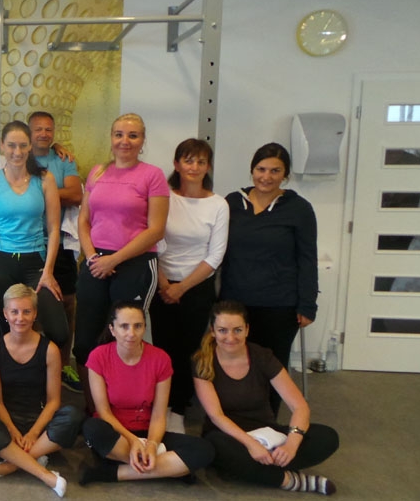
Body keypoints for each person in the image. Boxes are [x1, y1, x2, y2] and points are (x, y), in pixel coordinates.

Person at [193, 301, 339, 495]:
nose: (230, 337)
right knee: (215, 447)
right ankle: (290, 480)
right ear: (213, 331)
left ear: (247, 330)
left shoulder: (262, 356)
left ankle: (258, 469)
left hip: (267, 433)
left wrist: (291, 445)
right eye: (222, 330)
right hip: (229, 436)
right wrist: (251, 445)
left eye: (237, 330)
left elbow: (299, 406)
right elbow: (216, 416)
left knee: (328, 437)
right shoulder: (202, 361)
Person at [74, 112, 169, 411]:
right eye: (119, 134)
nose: (124, 141)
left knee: (125, 340)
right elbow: (84, 220)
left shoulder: (152, 175)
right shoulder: (97, 172)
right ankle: (94, 410)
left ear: (142, 141)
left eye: (132, 135)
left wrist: (113, 259)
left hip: (135, 264)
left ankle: (124, 410)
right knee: (86, 340)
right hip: (95, 262)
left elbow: (156, 229)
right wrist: (93, 256)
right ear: (111, 138)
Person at [79, 302, 214, 485]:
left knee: (204, 450)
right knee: (92, 428)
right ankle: (171, 469)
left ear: (144, 328)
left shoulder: (160, 359)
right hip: (116, 435)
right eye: (124, 326)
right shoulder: (98, 356)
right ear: (112, 329)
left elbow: (159, 415)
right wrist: (133, 441)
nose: (131, 333)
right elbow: (103, 412)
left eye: (138, 326)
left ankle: (114, 473)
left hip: (148, 431)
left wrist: (151, 444)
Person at [0, 284, 81, 498]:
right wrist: (12, 430)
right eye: (14, 312)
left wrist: (33, 434)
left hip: (39, 422)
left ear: (35, 314)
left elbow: (53, 401)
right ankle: (40, 467)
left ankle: (10, 464)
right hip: (6, 423)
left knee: (73, 415)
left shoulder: (50, 350)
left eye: (26, 311)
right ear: (5, 314)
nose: (20, 318)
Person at [219, 143, 318, 383]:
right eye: (261, 169)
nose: (266, 177)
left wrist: (307, 305)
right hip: (235, 301)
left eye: (275, 171)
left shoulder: (299, 209)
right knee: (234, 363)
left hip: (279, 304)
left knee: (272, 366)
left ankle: (269, 409)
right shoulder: (232, 203)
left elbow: (307, 258)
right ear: (252, 170)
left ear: (285, 175)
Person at [151, 138, 228, 432]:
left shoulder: (218, 205)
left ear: (208, 167)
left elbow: (215, 255)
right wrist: (164, 283)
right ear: (176, 164)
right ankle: (163, 405)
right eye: (188, 160)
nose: (194, 167)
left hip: (197, 288)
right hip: (161, 283)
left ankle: (179, 410)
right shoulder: (164, 198)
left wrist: (181, 288)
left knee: (189, 350)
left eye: (201, 162)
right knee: (162, 348)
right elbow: (152, 241)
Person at [0, 121, 67, 351]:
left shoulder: (44, 179)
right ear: (2, 146)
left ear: (30, 147)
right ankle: (13, 373)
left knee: (59, 331)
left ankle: (44, 363)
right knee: (10, 330)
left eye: (23, 145)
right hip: (0, 263)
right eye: (11, 145)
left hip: (35, 262)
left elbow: (54, 228)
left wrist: (48, 271)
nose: (17, 152)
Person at [29, 111, 83, 393]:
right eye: (38, 129)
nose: (44, 134)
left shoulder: (64, 160)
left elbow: (75, 195)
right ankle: (35, 367)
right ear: (29, 132)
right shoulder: (20, 157)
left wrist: (38, 191)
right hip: (28, 244)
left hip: (60, 244)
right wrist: (55, 191)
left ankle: (62, 366)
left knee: (67, 305)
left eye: (48, 130)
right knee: (30, 307)